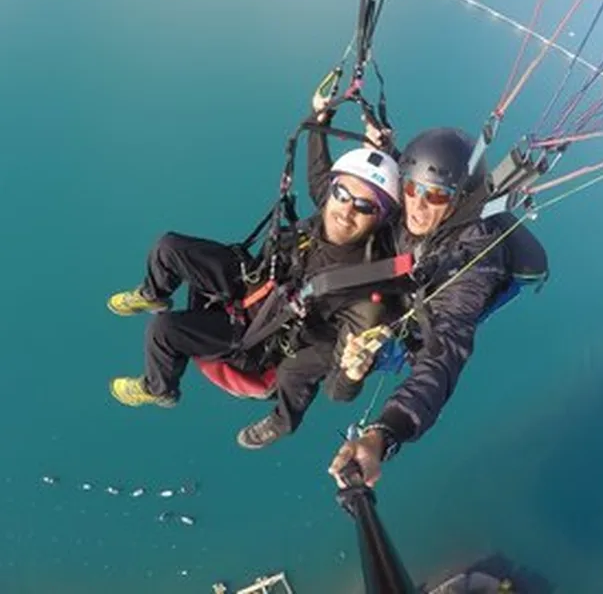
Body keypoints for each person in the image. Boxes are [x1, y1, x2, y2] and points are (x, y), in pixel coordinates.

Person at [107, 145, 402, 450]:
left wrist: (353, 372)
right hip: (255, 284)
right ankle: (153, 293)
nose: (347, 210)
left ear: (380, 217)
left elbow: (338, 390)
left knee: (163, 330)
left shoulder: (364, 294)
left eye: (365, 206)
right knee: (168, 247)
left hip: (258, 339)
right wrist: (320, 119)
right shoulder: (324, 220)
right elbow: (320, 176)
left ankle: (160, 389)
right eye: (341, 193)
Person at [306, 107, 516, 488]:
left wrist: (384, 435)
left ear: (462, 200)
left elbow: (443, 356)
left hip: (414, 321)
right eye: (411, 188)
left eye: (434, 196)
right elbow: (415, 180)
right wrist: (381, 152)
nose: (417, 205)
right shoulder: (417, 202)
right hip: (394, 281)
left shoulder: (473, 264)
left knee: (333, 373)